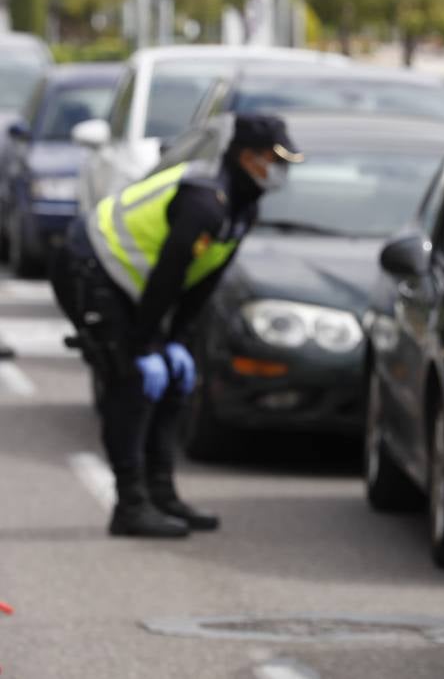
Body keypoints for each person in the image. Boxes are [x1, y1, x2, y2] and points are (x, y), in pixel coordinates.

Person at [51, 114, 302, 538]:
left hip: (129, 287)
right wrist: (144, 344)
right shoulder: (206, 201)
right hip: (88, 266)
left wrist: (176, 341)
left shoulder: (244, 205)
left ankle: (161, 493)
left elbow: (203, 280)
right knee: (129, 381)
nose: (281, 170)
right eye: (273, 159)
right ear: (246, 157)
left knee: (173, 381)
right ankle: (130, 505)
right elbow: (169, 275)